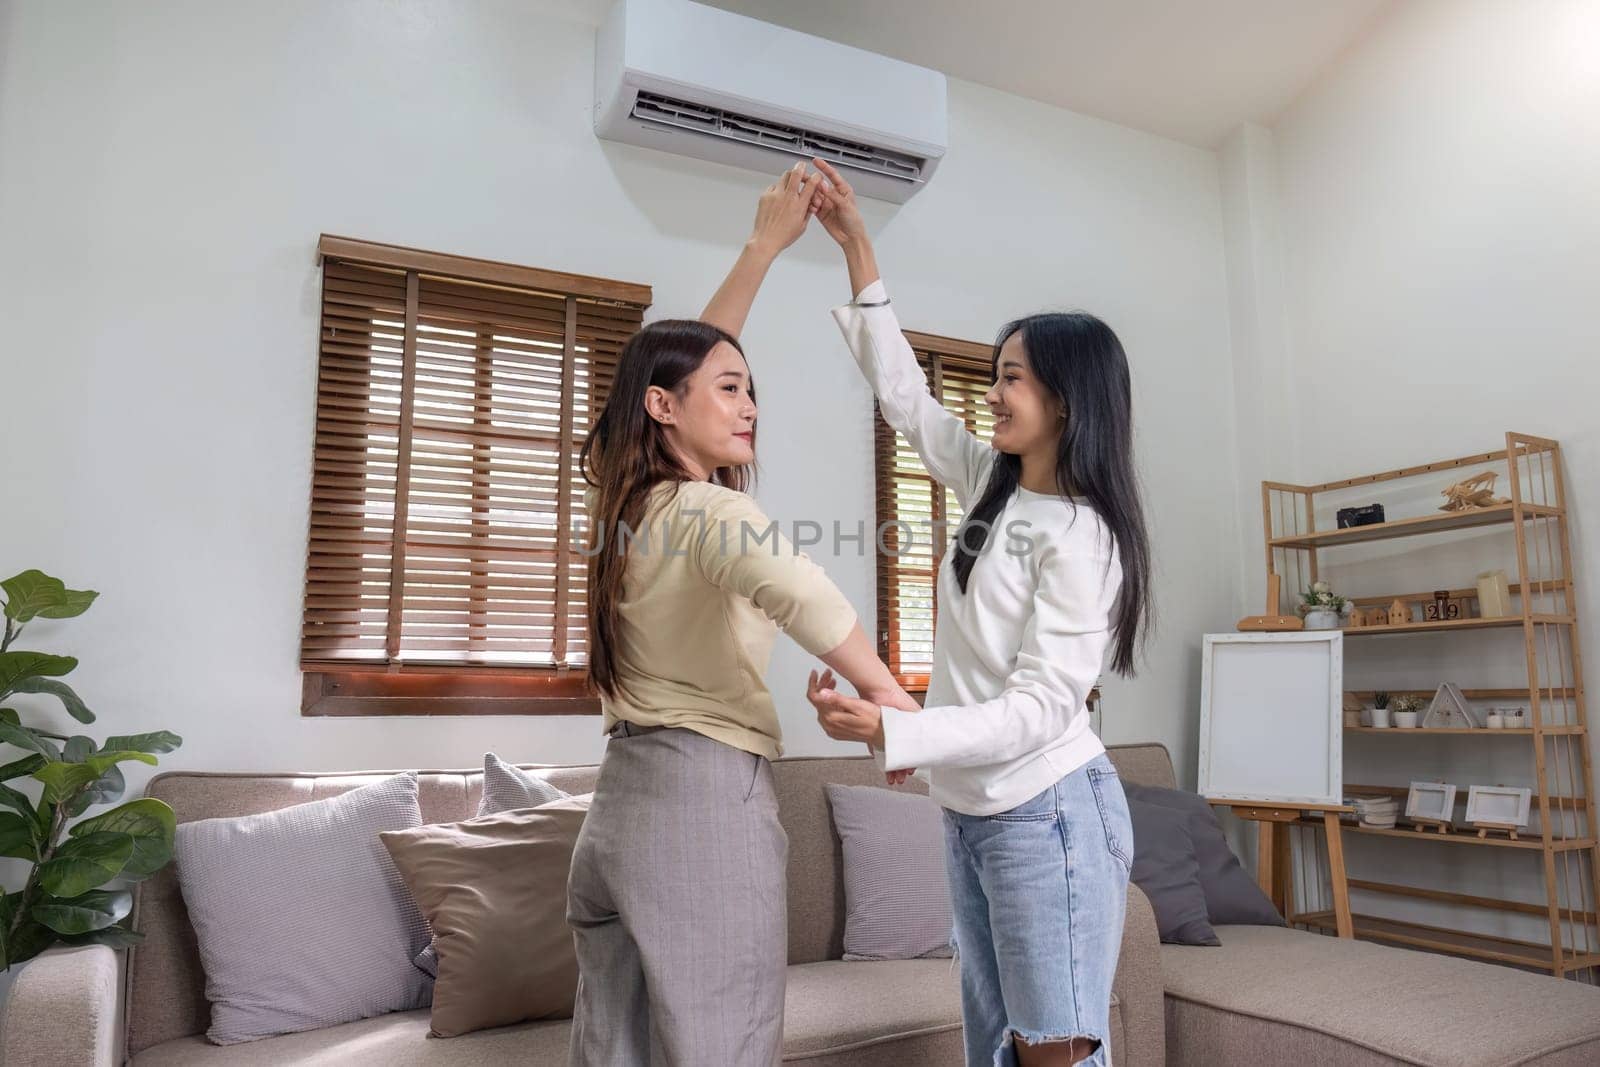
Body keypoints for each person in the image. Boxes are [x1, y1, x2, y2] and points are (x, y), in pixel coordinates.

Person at [566, 163, 919, 1067]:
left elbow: (674, 365)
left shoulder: (626, 498)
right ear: (665, 408)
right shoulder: (710, 511)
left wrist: (764, 248)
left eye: (752, 388)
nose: (750, 403)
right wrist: (899, 711)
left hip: (620, 814)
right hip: (700, 807)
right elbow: (803, 591)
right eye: (731, 389)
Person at [803, 157, 1153, 1067]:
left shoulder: (1084, 535)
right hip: (973, 815)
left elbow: (1043, 708)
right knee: (997, 1049)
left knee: (1054, 1054)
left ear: (1070, 402)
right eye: (996, 374)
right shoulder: (990, 487)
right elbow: (905, 398)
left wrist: (901, 729)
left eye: (1015, 379)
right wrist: (857, 247)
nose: (993, 393)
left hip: (1050, 817)